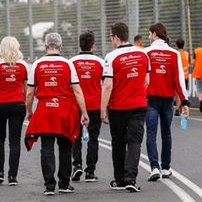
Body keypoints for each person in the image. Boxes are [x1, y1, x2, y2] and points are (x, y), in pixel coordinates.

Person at [25, 32, 90, 196]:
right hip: (65, 110)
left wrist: (29, 110)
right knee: (66, 147)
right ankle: (64, 183)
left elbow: (29, 93)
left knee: (46, 147)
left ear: (46, 46)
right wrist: (84, 112)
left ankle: (49, 185)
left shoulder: (37, 64)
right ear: (60, 47)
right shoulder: (68, 64)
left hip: (45, 109)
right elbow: (77, 91)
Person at [101, 22, 150, 193]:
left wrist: (103, 109)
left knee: (118, 142)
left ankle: (120, 179)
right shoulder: (143, 54)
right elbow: (146, 82)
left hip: (118, 107)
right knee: (135, 141)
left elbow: (107, 86)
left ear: (115, 37)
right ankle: (131, 178)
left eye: (111, 37)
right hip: (138, 105)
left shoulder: (111, 56)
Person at [144, 24, 189, 181]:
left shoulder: (146, 53)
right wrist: (185, 101)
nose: (148, 37)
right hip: (168, 101)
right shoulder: (174, 54)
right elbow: (179, 80)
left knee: (150, 133)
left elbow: (143, 80)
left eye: (149, 34)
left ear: (155, 34)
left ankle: (154, 167)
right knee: (166, 133)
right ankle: (166, 168)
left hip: (150, 100)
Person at [0, 36, 29, 186]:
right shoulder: (23, 65)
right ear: (17, 47)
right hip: (17, 104)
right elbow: (27, 89)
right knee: (15, 141)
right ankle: (13, 176)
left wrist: (1, 85)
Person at [69, 31, 104, 183]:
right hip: (95, 105)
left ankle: (77, 164)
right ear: (93, 45)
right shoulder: (100, 62)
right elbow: (106, 84)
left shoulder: (71, 62)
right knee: (93, 139)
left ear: (79, 44)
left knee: (75, 137)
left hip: (76, 105)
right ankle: (90, 171)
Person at [174, 38, 190, 117]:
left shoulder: (175, 53)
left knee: (177, 93)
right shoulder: (187, 53)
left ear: (176, 45)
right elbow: (189, 63)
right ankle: (179, 108)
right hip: (185, 75)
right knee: (182, 92)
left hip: (178, 75)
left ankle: (177, 108)